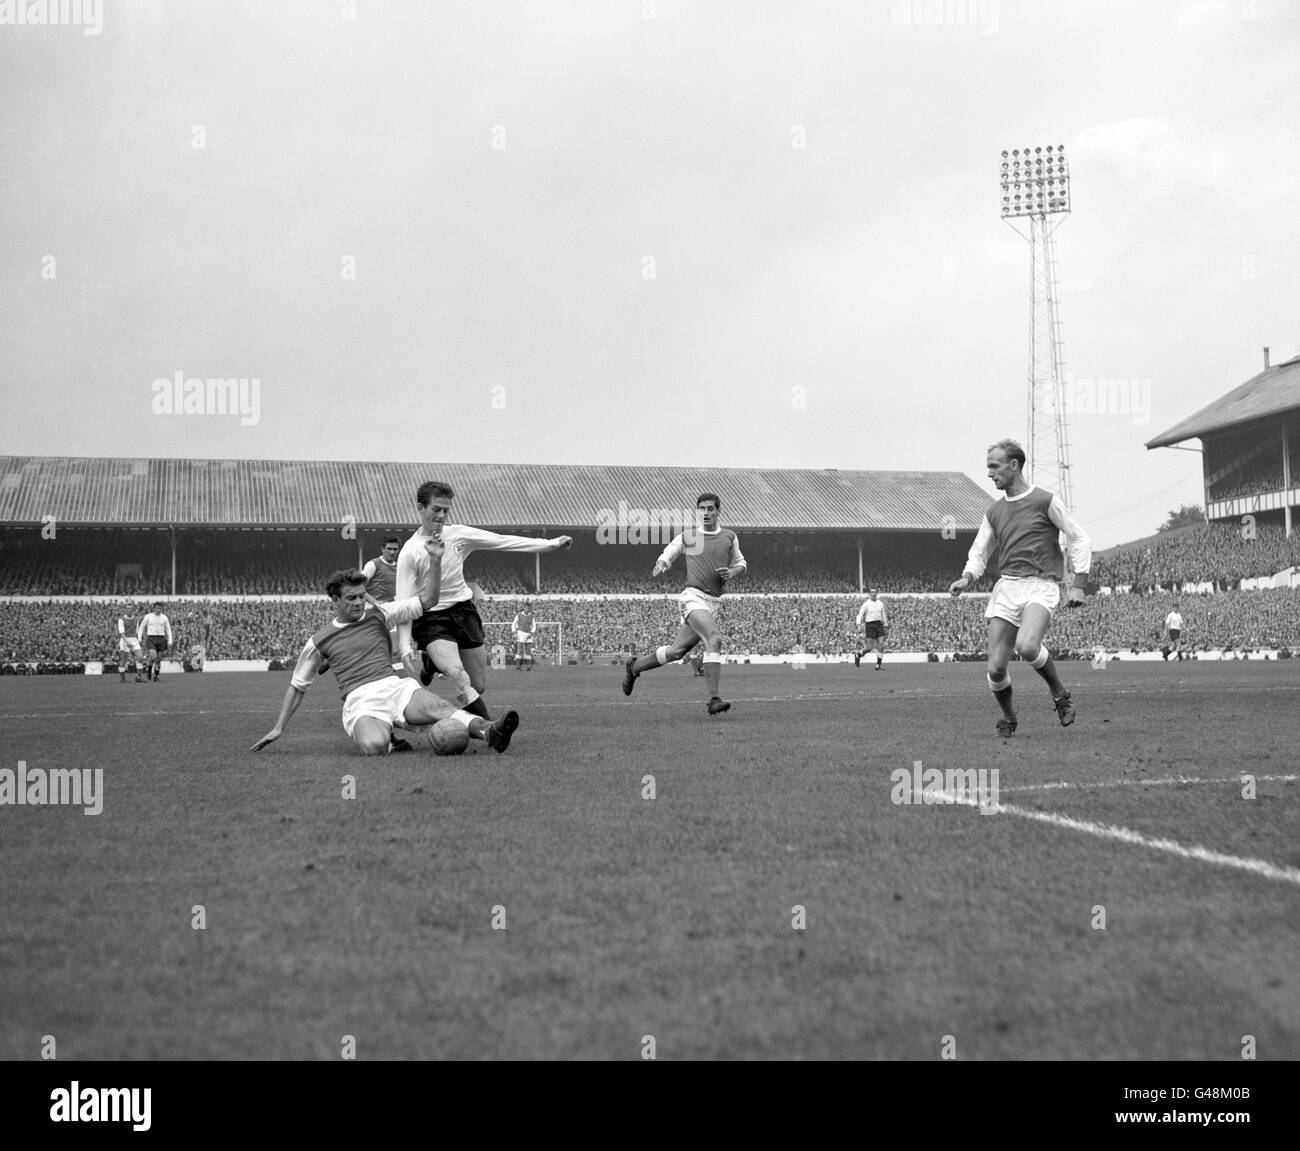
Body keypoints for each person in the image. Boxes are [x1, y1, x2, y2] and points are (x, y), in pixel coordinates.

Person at [250, 536, 518, 756]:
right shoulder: (319, 640)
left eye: (361, 596)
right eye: (351, 598)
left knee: (440, 707)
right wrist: (278, 728)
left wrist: (435, 561)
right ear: (334, 599)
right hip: (361, 700)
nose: (358, 603)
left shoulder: (381, 613)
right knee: (373, 746)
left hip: (395, 687)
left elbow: (428, 600)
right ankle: (389, 738)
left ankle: (490, 731)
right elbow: (298, 687)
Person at [948, 440, 1091, 736]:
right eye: (988, 466)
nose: (989, 473)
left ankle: (1060, 695)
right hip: (1007, 588)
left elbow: (1079, 538)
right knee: (996, 669)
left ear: (1014, 465)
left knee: (1027, 646)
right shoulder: (994, 511)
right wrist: (967, 576)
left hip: (1041, 585)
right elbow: (980, 550)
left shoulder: (1045, 500)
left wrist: (1078, 584)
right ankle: (1009, 718)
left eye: (994, 466)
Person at [395, 481, 571, 720]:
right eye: (436, 509)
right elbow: (403, 602)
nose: (442, 515)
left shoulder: (457, 534)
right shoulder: (409, 551)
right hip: (431, 619)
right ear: (420, 507)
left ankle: (432, 665)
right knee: (458, 675)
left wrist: (549, 544)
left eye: (446, 510)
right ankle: (489, 730)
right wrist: (404, 646)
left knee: (477, 686)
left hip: (463, 611)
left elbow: (501, 541)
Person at [622, 492, 746, 715]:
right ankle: (713, 699)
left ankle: (635, 666)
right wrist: (662, 563)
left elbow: (741, 563)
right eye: (702, 509)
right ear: (697, 511)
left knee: (676, 652)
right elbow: (669, 551)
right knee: (715, 639)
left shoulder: (729, 537)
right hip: (693, 598)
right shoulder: (689, 536)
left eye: (711, 508)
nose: (706, 512)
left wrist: (733, 571)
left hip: (713, 603)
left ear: (718, 511)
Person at [363, 533, 403, 670]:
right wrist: (375, 602)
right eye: (389, 549)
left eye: (395, 549)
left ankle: (400, 682)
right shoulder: (373, 565)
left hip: (390, 612)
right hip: (372, 612)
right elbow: (358, 587)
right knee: (373, 651)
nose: (392, 552)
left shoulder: (400, 567)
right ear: (382, 549)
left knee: (396, 651)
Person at [854, 588, 889, 670]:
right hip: (870, 625)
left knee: (881, 645)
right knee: (869, 647)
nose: (873, 594)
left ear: (877, 593)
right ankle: (858, 655)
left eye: (874, 592)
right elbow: (860, 615)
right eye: (871, 592)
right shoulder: (866, 604)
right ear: (869, 593)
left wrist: (885, 624)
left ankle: (878, 665)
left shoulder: (880, 603)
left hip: (879, 624)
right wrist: (859, 625)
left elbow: (883, 615)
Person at [137, 601, 173, 682]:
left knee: (158, 659)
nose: (158, 609)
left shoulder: (164, 617)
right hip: (151, 638)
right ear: (154, 608)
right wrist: (139, 638)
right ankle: (149, 671)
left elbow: (168, 630)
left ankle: (156, 676)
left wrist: (170, 641)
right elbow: (141, 627)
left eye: (160, 608)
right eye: (157, 608)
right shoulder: (148, 617)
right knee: (154, 656)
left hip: (161, 639)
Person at [116, 607, 145, 683]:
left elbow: (137, 631)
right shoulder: (121, 619)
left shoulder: (136, 619)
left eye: (131, 608)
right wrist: (127, 642)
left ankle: (138, 677)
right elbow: (121, 633)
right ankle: (123, 679)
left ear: (133, 610)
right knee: (123, 660)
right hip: (125, 640)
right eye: (128, 608)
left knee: (140, 657)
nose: (129, 610)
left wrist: (139, 639)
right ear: (125, 610)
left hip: (134, 640)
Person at [512, 600, 536, 670]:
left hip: (528, 634)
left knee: (528, 650)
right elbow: (514, 623)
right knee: (519, 650)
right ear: (524, 608)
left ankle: (528, 666)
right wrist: (514, 631)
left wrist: (532, 632)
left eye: (528, 608)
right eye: (526, 608)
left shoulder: (532, 616)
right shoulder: (519, 615)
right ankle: (518, 666)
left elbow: (534, 625)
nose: (527, 609)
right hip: (520, 633)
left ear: (530, 608)